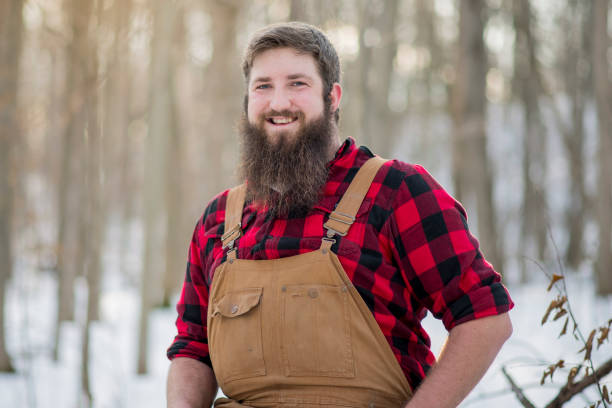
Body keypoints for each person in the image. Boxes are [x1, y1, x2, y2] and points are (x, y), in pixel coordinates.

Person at [166, 22, 513, 408]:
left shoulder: (396, 192)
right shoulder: (219, 220)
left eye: (298, 84)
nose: (278, 102)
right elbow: (193, 348)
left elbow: (484, 318)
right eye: (263, 86)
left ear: (333, 96)